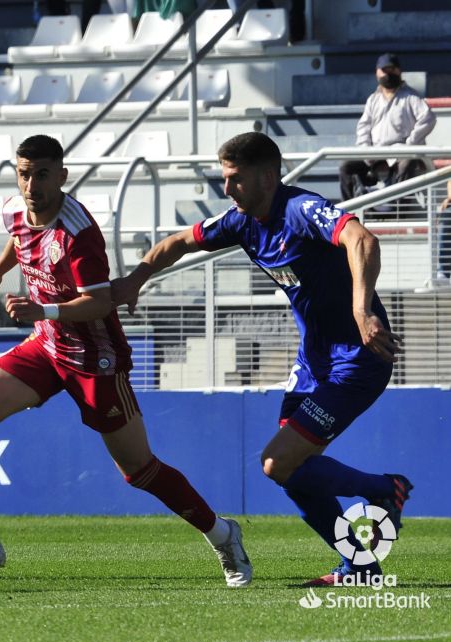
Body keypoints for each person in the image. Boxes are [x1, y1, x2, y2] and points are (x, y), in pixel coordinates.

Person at [0, 135, 252, 588]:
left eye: (42, 174)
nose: (32, 184)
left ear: (62, 176)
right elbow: (19, 237)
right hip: (47, 345)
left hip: (95, 358)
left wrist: (42, 309)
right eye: (24, 173)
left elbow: (99, 302)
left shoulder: (79, 231)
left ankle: (223, 534)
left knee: (139, 470)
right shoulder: (12, 208)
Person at [113, 132, 413, 586]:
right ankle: (361, 565)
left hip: (358, 359)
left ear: (268, 177)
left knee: (277, 463)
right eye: (223, 178)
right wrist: (137, 278)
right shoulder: (241, 222)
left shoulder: (299, 209)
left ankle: (382, 489)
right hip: (314, 363)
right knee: (291, 475)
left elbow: (361, 239)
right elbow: (179, 242)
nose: (226, 189)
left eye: (234, 179)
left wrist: (362, 308)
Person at [338, 53, 436, 202]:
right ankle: (351, 212)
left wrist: (410, 144)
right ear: (377, 72)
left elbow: (428, 118)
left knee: (406, 164)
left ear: (399, 71)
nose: (388, 74)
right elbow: (363, 126)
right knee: (346, 167)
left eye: (392, 69)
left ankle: (396, 212)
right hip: (375, 152)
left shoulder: (411, 97)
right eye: (385, 70)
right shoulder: (373, 99)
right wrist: (366, 150)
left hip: (402, 151)